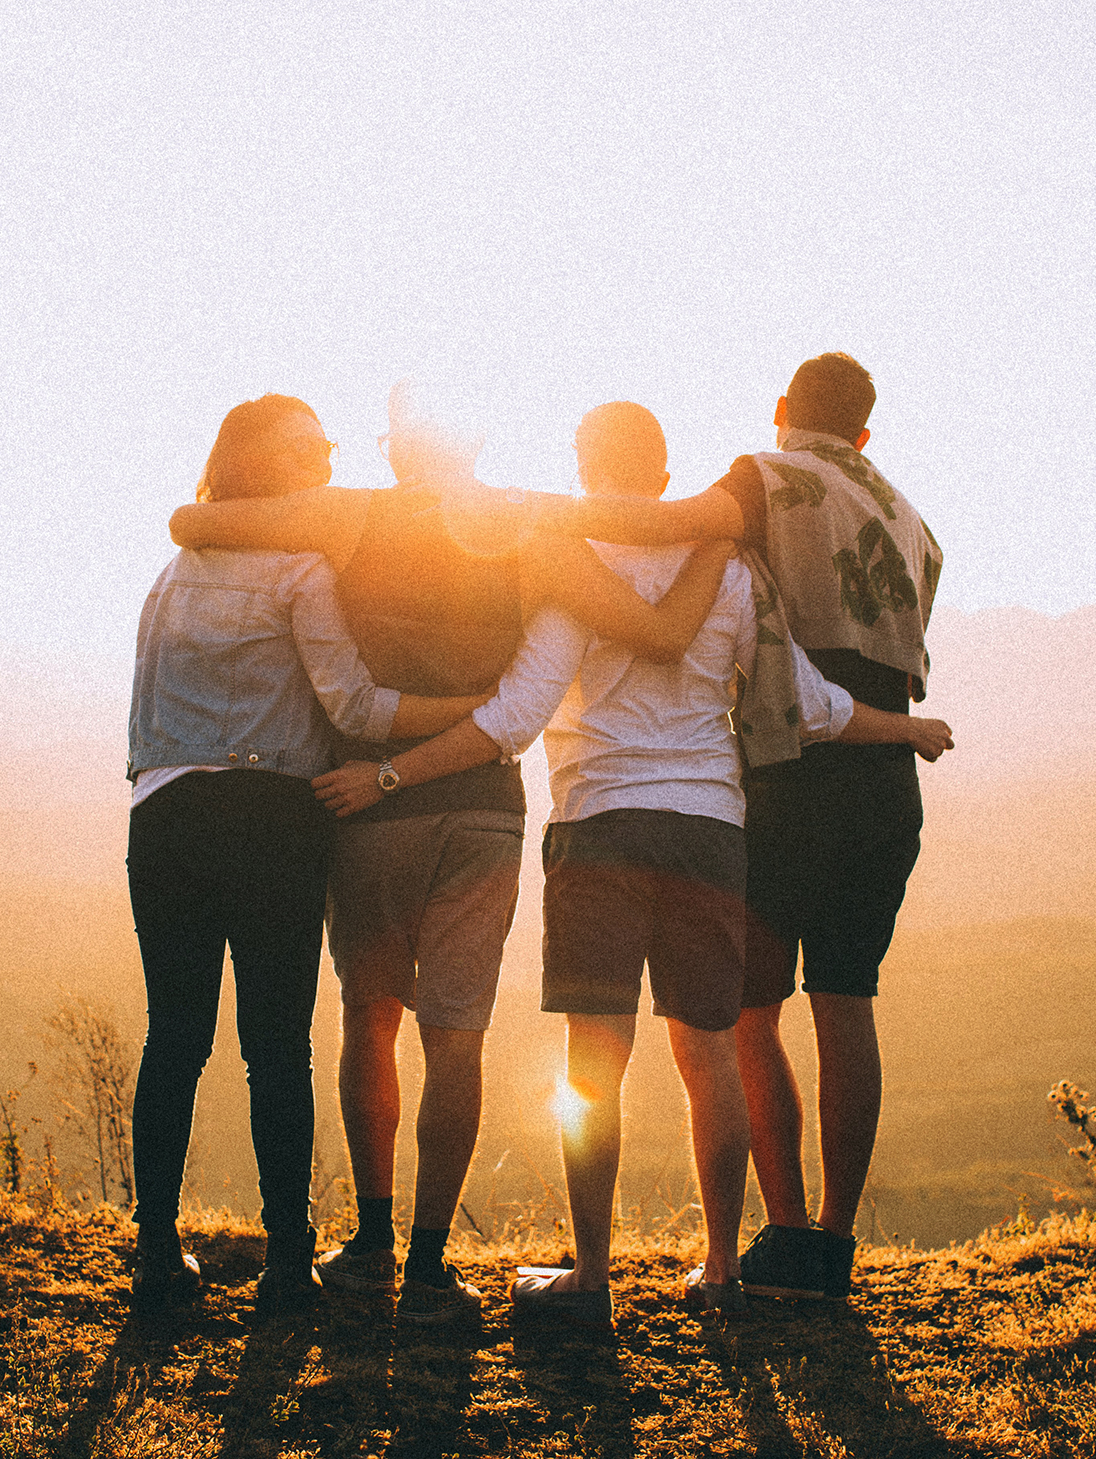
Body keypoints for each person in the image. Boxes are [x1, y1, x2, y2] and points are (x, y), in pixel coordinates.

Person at [313, 401, 950, 1328]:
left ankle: (592, 1277)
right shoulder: (730, 570)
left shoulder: (572, 566)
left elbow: (515, 717)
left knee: (593, 1064)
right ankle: (723, 1268)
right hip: (708, 832)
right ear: (662, 475)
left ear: (582, 466)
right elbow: (808, 703)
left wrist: (390, 772)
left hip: (598, 826)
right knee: (708, 1053)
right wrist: (907, 728)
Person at [168, 381, 729, 1325]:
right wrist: (717, 535)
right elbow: (655, 631)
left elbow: (193, 522)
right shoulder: (528, 532)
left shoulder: (347, 518)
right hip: (481, 808)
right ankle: (430, 1264)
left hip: (366, 801)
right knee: (455, 1033)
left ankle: (372, 1240)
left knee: (369, 1015)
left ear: (396, 450)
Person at [529, 355, 949, 1300]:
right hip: (882, 777)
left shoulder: (766, 477)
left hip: (787, 771)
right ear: (866, 432)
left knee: (744, 1016)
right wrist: (908, 729)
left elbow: (671, 527)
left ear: (780, 411)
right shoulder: (913, 520)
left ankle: (780, 1233)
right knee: (848, 1001)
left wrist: (531, 514)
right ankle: (829, 1245)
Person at [124, 393, 492, 1314]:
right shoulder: (299, 570)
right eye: (311, 448)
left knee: (174, 1036)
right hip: (272, 820)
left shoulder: (171, 574)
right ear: (267, 467)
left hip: (163, 814)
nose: (328, 459)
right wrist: (474, 713)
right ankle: (288, 1260)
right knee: (275, 1047)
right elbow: (357, 710)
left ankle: (156, 1253)